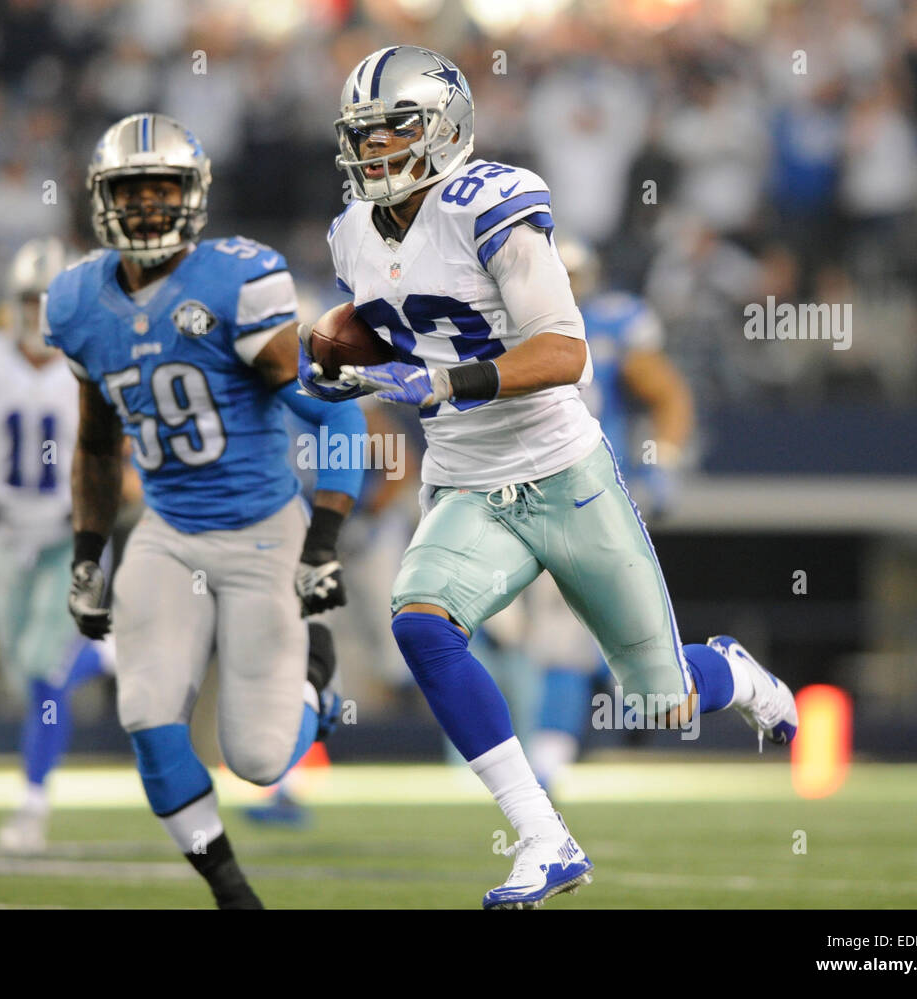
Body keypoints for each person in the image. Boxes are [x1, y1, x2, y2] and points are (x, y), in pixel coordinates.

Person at [301, 46, 797, 910]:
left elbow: (563, 350)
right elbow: (407, 327)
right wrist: (341, 352)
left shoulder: (489, 204)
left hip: (563, 472)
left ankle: (734, 674)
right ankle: (542, 835)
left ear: (445, 127)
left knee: (662, 703)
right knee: (421, 623)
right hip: (466, 481)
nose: (376, 151)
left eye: (394, 131)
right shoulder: (351, 231)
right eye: (365, 136)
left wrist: (445, 381)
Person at [44, 113, 365, 909]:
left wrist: (321, 543)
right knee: (147, 713)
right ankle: (231, 891)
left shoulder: (237, 283)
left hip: (264, 533)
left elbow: (339, 416)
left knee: (258, 759)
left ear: (193, 197)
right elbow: (94, 443)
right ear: (102, 199)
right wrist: (89, 553)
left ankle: (315, 681)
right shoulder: (78, 300)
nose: (149, 208)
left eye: (164, 190)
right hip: (168, 534)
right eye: (132, 191)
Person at [0, 237, 111, 852]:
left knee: (43, 672)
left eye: (48, 301)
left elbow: (126, 455)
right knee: (21, 669)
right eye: (28, 302)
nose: (38, 315)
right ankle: (109, 653)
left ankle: (32, 805)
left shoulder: (92, 359)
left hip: (69, 536)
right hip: (5, 535)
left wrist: (101, 501)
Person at [525, 239, 695, 790]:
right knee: (575, 628)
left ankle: (557, 750)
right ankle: (583, 731)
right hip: (537, 489)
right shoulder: (507, 323)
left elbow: (668, 394)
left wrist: (662, 463)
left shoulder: (613, 324)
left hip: (599, 490)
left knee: (580, 627)